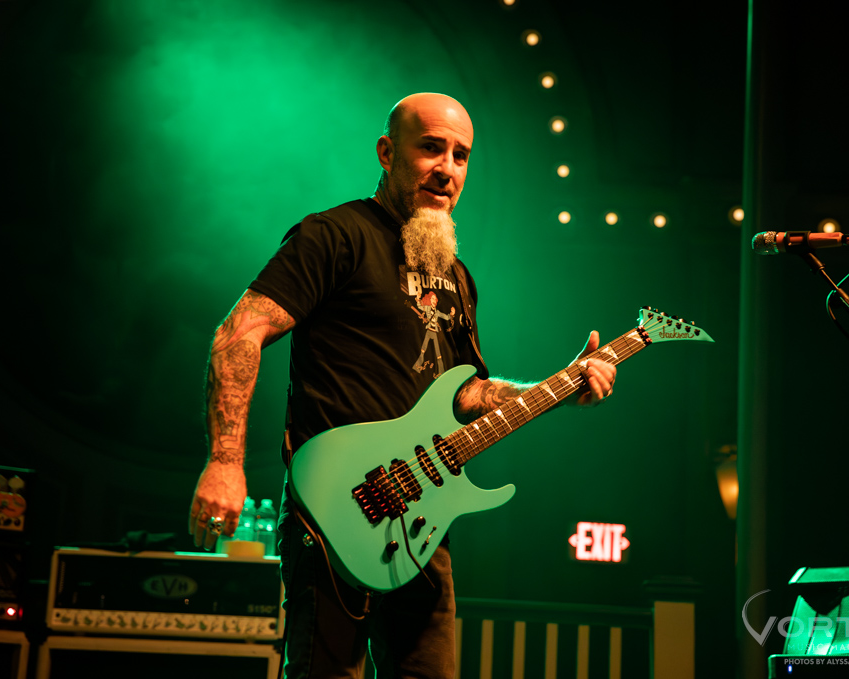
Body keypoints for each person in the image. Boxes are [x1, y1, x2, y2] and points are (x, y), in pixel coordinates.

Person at [187, 92, 617, 679]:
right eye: (431, 148)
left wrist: (559, 384)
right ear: (388, 153)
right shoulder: (333, 236)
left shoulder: (456, 276)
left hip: (421, 522)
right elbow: (238, 336)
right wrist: (224, 460)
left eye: (461, 156)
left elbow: (467, 393)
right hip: (334, 512)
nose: (447, 169)